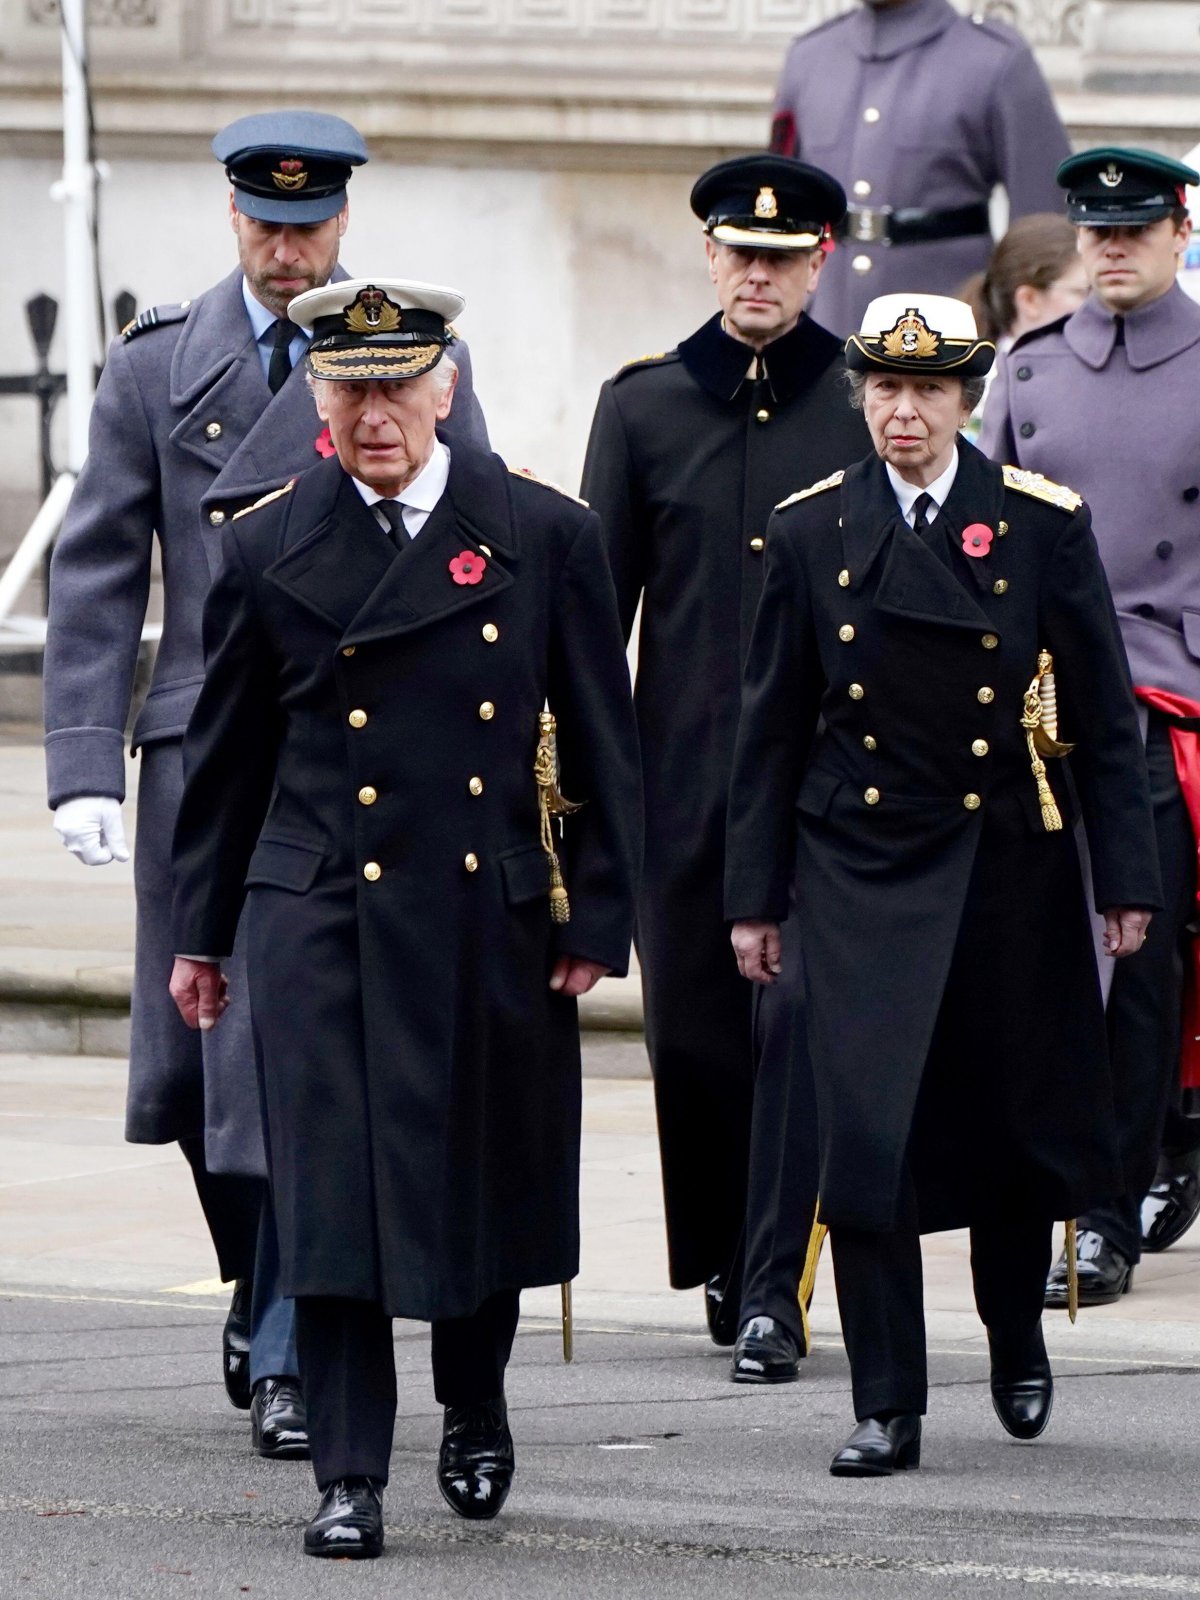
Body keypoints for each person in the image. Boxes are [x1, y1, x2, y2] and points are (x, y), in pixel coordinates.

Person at [168, 278, 641, 1558]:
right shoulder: (267, 545)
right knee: (330, 1199)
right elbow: (224, 761)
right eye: (349, 388)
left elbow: (605, 739)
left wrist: (598, 911)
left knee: (477, 1175)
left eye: (397, 385)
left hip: (485, 904)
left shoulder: (543, 533)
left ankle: (474, 1405)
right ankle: (348, 1472)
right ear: (316, 402)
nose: (376, 413)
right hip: (319, 905)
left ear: (445, 387)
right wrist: (198, 936)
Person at [42, 110, 489, 1457]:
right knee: (196, 1070)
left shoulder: (416, 356)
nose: (289, 249)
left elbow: (473, 542)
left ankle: (293, 1337)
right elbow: (102, 570)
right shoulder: (157, 368)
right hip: (201, 747)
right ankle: (256, 1274)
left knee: (302, 1057)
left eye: (311, 225)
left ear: (345, 222)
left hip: (353, 757)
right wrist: (81, 762)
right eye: (266, 223)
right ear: (233, 218)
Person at [726, 292, 1160, 1476]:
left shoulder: (1036, 526)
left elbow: (1108, 723)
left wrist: (1126, 879)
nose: (901, 413)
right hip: (858, 862)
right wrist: (752, 899)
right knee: (866, 1138)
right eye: (882, 390)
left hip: (1002, 861)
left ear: (968, 400)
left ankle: (1015, 1336)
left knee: (1008, 1128)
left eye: (925, 392)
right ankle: (887, 1401)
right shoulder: (811, 528)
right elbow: (766, 731)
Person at [580, 154, 870, 1370]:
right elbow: (595, 624)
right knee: (695, 1038)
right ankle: (722, 1256)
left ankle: (771, 1288)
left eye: (785, 257)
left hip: (821, 782)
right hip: (680, 779)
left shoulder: (865, 399)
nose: (760, 275)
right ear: (709, 259)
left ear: (821, 263)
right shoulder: (642, 407)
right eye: (740, 255)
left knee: (792, 1031)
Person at [980, 148, 1200, 1302]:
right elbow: (982, 537)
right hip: (1036, 709)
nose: (1112, 249)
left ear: (1177, 231)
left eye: (1135, 230)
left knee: (1140, 957)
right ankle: (1045, 1179)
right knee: (1038, 955)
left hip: (1164, 699)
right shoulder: (1028, 371)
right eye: (1096, 232)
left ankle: (1111, 1206)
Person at [769, 0, 1069, 336]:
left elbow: (1044, 223)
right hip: (823, 329)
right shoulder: (809, 58)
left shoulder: (995, 59)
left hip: (945, 334)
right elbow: (779, 210)